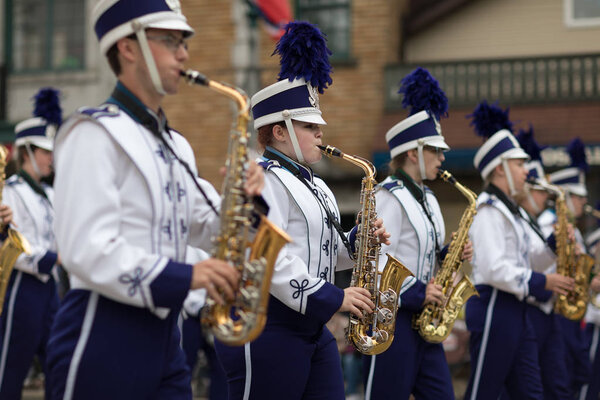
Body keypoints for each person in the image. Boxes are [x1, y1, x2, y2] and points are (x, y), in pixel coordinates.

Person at [46, 1, 264, 399]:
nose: (183, 53)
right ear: (129, 47)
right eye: (170, 41)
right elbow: (84, 250)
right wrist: (186, 276)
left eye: (184, 42)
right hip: (103, 331)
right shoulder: (91, 133)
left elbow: (206, 226)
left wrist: (247, 198)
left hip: (168, 335)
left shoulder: (176, 143)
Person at [214, 21, 387, 400]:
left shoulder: (318, 184)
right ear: (280, 131)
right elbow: (271, 259)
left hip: (310, 326)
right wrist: (336, 298)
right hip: (266, 326)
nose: (321, 134)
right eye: (311, 127)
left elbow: (325, 254)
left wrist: (360, 242)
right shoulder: (259, 177)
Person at [363, 67, 471, 400]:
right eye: (435, 152)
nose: (442, 158)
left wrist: (448, 254)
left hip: (426, 323)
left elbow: (423, 251)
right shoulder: (388, 195)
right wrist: (417, 292)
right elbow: (375, 260)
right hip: (392, 322)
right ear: (412, 154)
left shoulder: (430, 198)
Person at [463, 101, 571, 400]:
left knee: (530, 392)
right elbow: (495, 268)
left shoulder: (513, 212)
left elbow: (532, 258)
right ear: (500, 169)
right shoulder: (487, 210)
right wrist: (542, 282)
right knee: (483, 392)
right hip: (494, 307)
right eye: (519, 164)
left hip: (516, 310)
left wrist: (555, 243)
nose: (526, 171)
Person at [0, 88, 60, 399]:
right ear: (26, 152)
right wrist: (55, 258)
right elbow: (13, 245)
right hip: (21, 289)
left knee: (58, 367)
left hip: (51, 290)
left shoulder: (51, 195)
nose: (51, 158)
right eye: (45, 151)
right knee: (10, 371)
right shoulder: (11, 191)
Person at [513, 126, 574, 400]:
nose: (544, 197)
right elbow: (523, 265)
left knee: (555, 384)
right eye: (538, 191)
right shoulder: (515, 218)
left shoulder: (532, 222)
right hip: (529, 308)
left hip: (545, 309)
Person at [539, 137, 593, 398]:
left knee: (575, 374)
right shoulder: (549, 223)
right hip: (557, 311)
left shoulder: (574, 229)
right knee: (560, 379)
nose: (584, 203)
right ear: (566, 195)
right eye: (579, 198)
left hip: (570, 312)